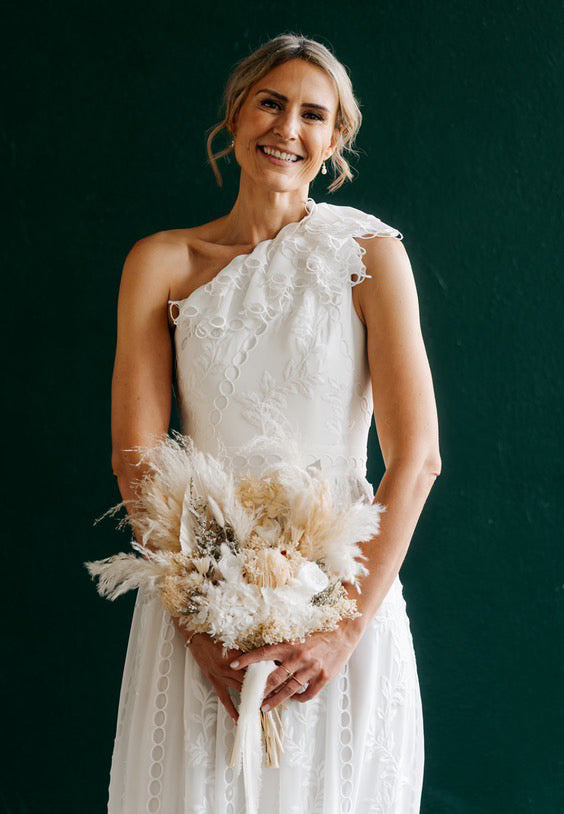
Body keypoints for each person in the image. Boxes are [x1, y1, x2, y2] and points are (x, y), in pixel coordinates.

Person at [109, 33, 441, 814]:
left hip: (339, 614)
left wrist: (341, 633)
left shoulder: (369, 255)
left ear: (334, 140)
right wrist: (198, 625)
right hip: (199, 614)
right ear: (235, 116)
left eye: (313, 115)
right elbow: (138, 460)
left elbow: (417, 458)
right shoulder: (161, 262)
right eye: (270, 103)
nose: (287, 128)